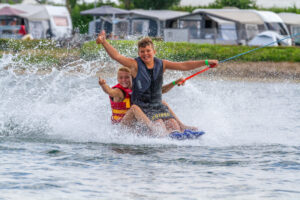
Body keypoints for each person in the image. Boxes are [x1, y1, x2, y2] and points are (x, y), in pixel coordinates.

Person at [96, 30, 218, 135]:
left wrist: (206, 62)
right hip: (142, 107)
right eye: (142, 51)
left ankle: (181, 128)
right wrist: (104, 42)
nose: (145, 54)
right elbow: (117, 56)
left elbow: (183, 65)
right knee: (159, 123)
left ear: (154, 51)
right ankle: (159, 133)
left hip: (156, 106)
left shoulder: (163, 64)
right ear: (139, 53)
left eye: (148, 51)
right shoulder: (134, 65)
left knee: (173, 124)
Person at [99, 67, 193, 136]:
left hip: (136, 124)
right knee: (135, 108)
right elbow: (109, 91)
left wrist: (175, 82)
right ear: (117, 79)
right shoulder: (119, 92)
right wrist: (103, 85)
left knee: (161, 102)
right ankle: (155, 130)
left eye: (127, 77)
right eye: (121, 78)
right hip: (122, 126)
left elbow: (161, 91)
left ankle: (180, 127)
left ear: (132, 78)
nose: (124, 80)